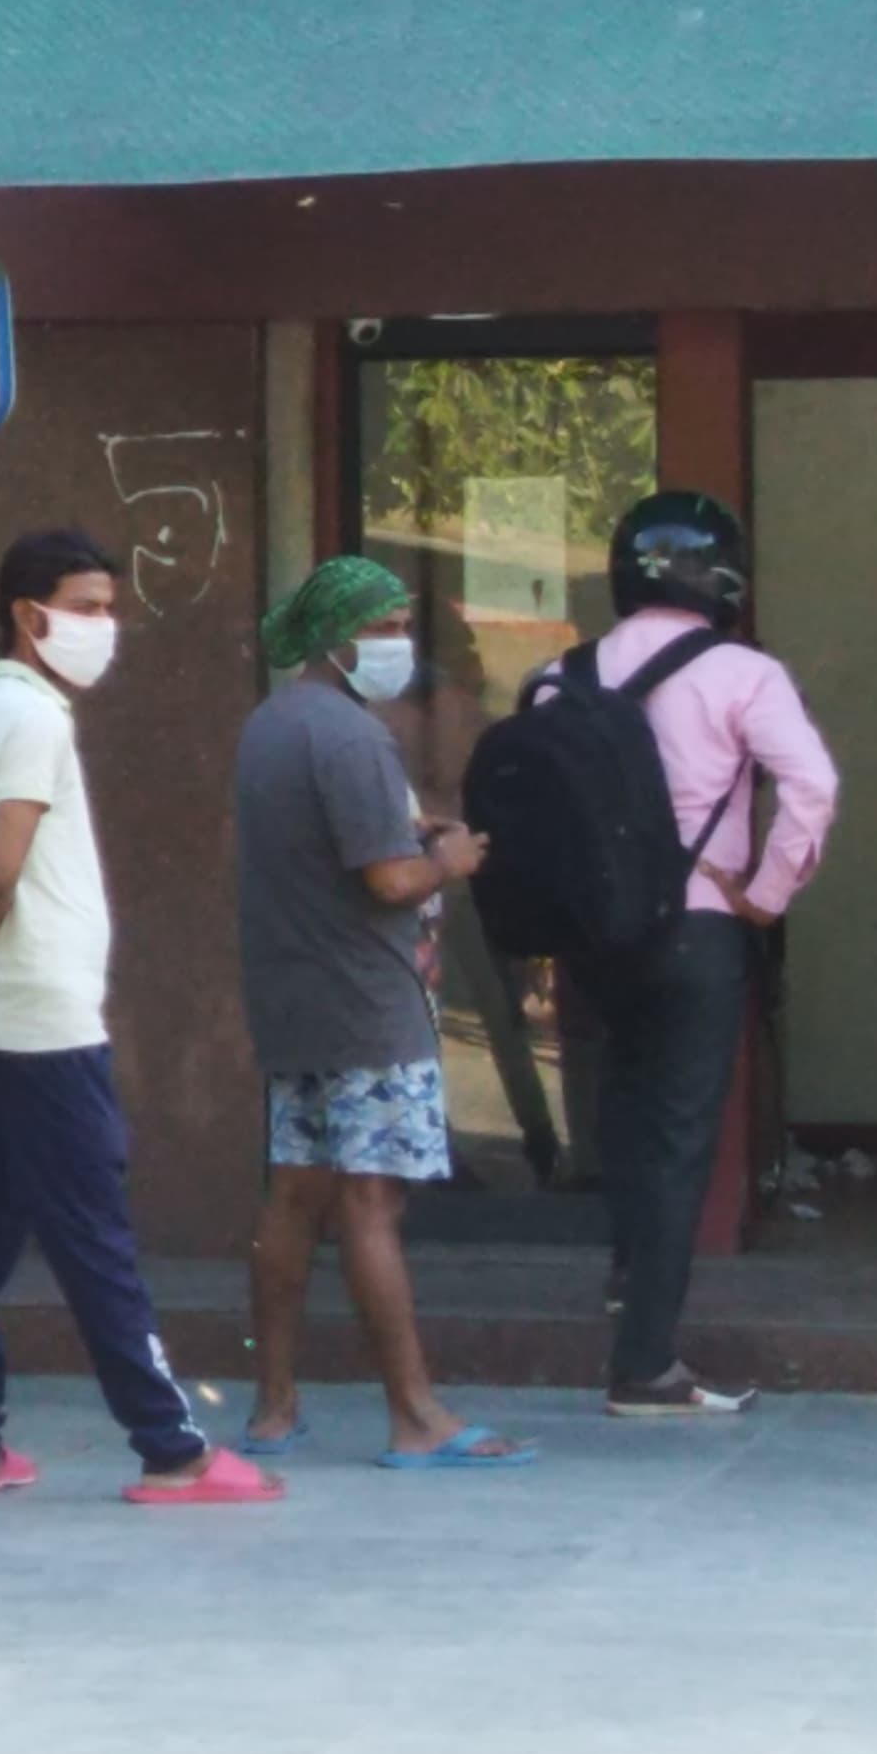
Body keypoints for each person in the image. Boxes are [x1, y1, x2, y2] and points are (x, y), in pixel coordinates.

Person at [0, 529, 278, 1508]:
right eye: (82, 607)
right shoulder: (32, 720)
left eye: (107, 606)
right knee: (93, 1238)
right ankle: (170, 1450)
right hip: (41, 1016)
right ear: (26, 616)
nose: (102, 626)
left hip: (1, 1010)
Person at [233, 556, 531, 1471]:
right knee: (371, 1202)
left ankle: (275, 1408)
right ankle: (415, 1416)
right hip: (370, 1003)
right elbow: (389, 878)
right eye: (389, 627)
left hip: (294, 994)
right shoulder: (353, 739)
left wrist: (416, 839)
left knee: (294, 1193)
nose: (402, 645)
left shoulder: (271, 725)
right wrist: (453, 859)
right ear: (338, 637)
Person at [567, 491, 838, 1419]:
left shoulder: (562, 677)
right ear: (724, 577)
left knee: (623, 1113)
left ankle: (626, 1277)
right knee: (682, 1137)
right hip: (697, 928)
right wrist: (765, 894)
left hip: (593, 934)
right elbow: (812, 785)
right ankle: (646, 1365)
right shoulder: (744, 674)